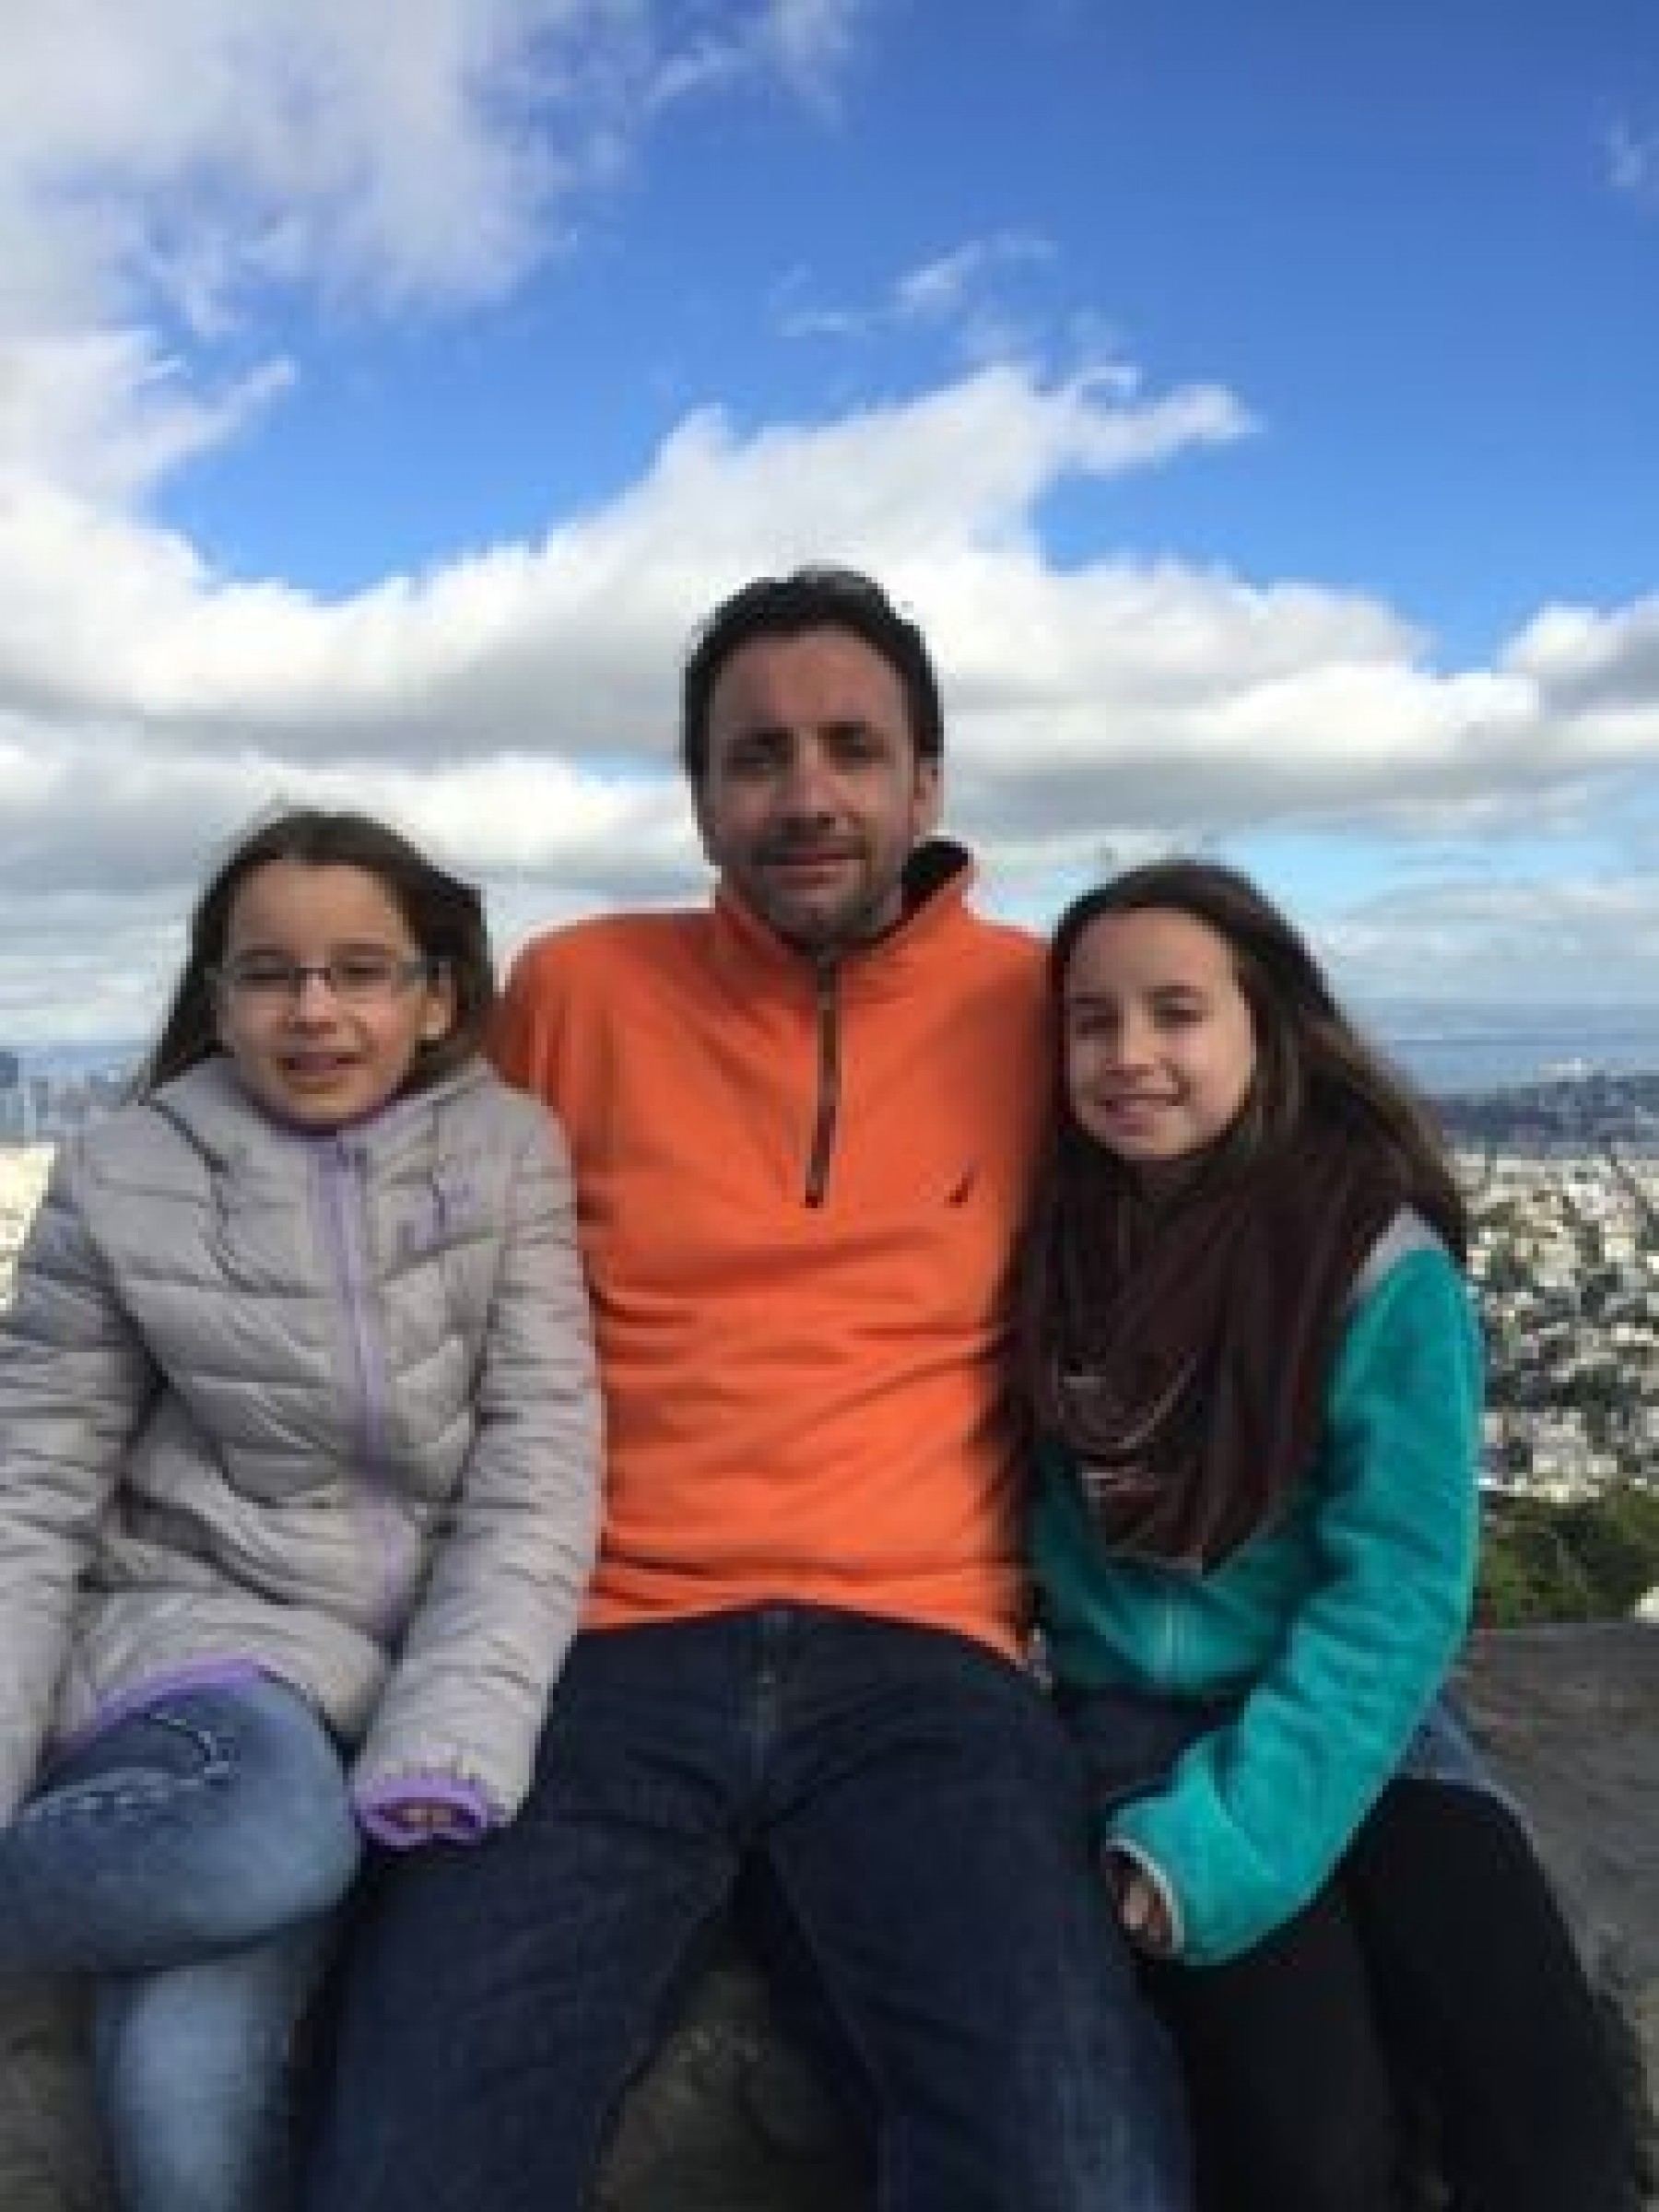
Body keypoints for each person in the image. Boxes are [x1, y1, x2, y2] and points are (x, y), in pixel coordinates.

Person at [304, 568, 1190, 2210]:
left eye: (853, 748)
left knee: (1077, 2163)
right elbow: (374, 1232)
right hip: (593, 1651)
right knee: (406, 2160)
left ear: (928, 781)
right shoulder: (578, 992)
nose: (807, 794)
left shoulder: (1041, 1007)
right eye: (757, 755)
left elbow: (1246, 1190)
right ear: (701, 794)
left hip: (929, 1657)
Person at [0, 807, 601, 2212]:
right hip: (198, 1651)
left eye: (360, 971)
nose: (314, 1011)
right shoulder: (126, 1173)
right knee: (276, 1837)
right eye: (269, 975)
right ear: (217, 1000)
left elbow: (539, 1463)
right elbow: (31, 1492)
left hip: (418, 1673)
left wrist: (449, 1732)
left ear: (435, 994)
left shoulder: (509, 1154)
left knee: (179, 2074)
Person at [1023, 856, 1642, 2212]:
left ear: (1269, 1027)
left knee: (1547, 2122)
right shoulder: (1051, 1253)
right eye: (1090, 1021)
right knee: (1310, 2145)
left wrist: (1233, 1839)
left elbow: (1399, 1589)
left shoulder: (1371, 1262)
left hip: (1368, 1720)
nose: (1129, 1055)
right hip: (1134, 1721)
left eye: (1177, 1013)